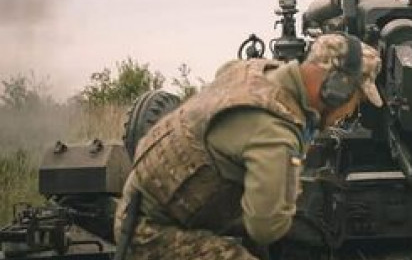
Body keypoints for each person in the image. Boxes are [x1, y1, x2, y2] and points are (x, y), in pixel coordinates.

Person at [113, 33, 382, 260]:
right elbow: (266, 227)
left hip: (141, 202)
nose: (351, 111)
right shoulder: (276, 133)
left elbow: (225, 71)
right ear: (337, 88)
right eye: (356, 100)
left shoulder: (254, 70)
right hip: (148, 232)